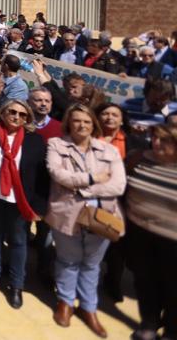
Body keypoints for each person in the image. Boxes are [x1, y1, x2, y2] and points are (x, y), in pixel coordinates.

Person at [46, 104, 126, 337]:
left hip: (101, 216)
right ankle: (66, 302)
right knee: (68, 261)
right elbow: (58, 175)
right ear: (69, 122)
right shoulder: (57, 145)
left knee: (92, 264)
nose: (82, 125)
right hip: (67, 214)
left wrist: (85, 190)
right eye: (77, 120)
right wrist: (93, 178)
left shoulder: (108, 151)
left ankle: (89, 308)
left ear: (94, 125)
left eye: (87, 121)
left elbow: (118, 184)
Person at [0, 100, 48, 309]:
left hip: (20, 201)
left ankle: (16, 285)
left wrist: (40, 207)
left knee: (18, 242)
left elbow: (43, 177)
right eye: (12, 112)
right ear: (3, 113)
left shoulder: (35, 141)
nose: (16, 117)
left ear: (27, 119)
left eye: (22, 114)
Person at [125, 120, 177, 340]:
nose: (156, 143)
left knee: (173, 287)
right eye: (154, 137)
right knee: (144, 280)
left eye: (164, 140)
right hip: (139, 232)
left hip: (173, 239)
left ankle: (172, 330)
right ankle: (149, 323)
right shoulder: (138, 158)